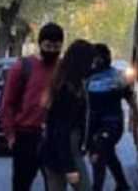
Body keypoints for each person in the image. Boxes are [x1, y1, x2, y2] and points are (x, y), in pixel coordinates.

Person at [0, 23, 65, 191]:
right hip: (26, 136)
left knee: (55, 185)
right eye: (48, 46)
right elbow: (7, 103)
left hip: (55, 136)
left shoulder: (64, 69)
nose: (52, 50)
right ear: (40, 44)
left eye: (56, 47)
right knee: (22, 185)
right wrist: (10, 136)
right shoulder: (22, 67)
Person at [41, 41, 96, 191]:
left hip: (56, 151)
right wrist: (69, 167)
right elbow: (61, 129)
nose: (91, 66)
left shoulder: (66, 83)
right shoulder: (68, 90)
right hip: (64, 151)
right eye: (90, 62)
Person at [86, 43, 138, 191]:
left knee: (100, 152)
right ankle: (122, 185)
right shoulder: (87, 77)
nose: (98, 61)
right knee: (108, 155)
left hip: (113, 124)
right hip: (93, 126)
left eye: (101, 57)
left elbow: (130, 98)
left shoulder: (118, 76)